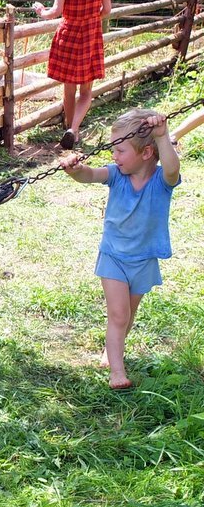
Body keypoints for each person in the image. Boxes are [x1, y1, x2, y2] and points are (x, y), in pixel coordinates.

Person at [59, 108, 181, 389]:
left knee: (128, 314)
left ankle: (111, 349)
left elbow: (172, 168)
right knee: (118, 314)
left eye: (120, 150)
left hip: (144, 259)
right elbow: (90, 174)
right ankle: (117, 372)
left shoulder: (162, 182)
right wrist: (75, 170)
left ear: (146, 153)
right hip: (114, 257)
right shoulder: (116, 175)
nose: (114, 156)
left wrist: (162, 135)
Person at [33, 0, 112, 149]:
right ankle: (74, 129)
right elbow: (107, 10)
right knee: (86, 91)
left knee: (69, 89)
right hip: (90, 35)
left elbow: (56, 12)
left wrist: (41, 11)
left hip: (68, 36)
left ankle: (70, 129)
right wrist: (91, 18)